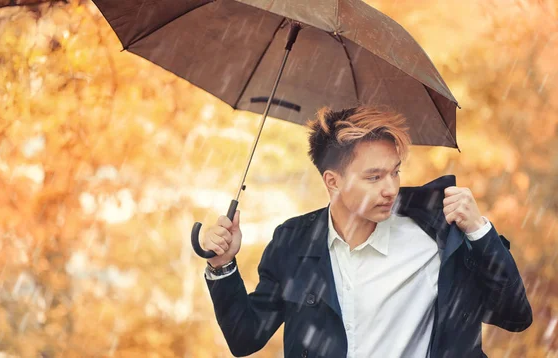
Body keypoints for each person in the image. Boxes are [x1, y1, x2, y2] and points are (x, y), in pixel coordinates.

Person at [201, 106, 532, 357]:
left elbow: (515, 315)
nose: (390, 189)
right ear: (333, 181)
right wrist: (222, 265)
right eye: (374, 177)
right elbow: (245, 337)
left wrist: (478, 231)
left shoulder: (437, 239)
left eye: (395, 172)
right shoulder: (294, 242)